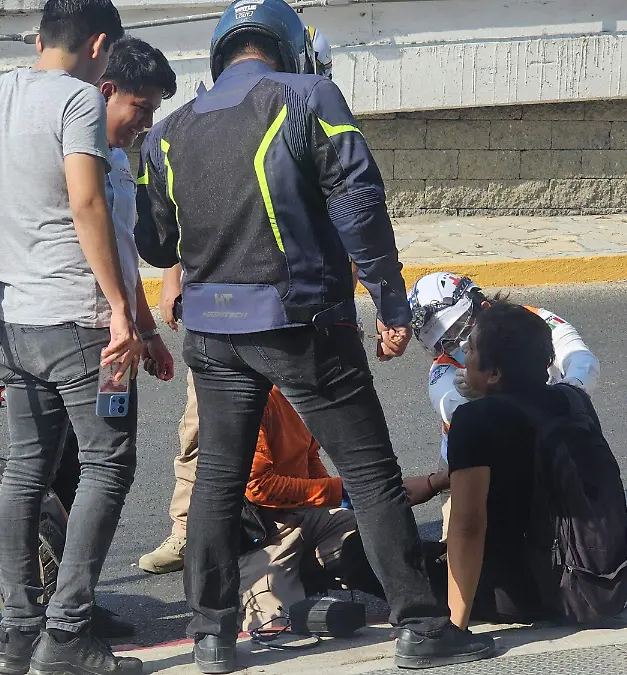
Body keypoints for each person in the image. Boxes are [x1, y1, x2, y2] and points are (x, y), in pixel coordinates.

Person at [133, 1, 494, 672]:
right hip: (302, 322)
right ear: (290, 47)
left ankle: (212, 638)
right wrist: (390, 302)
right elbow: (360, 205)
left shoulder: (171, 130)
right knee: (371, 472)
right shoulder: (311, 96)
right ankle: (420, 625)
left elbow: (155, 244)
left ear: (223, 52)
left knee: (217, 477)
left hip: (214, 334)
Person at [0, 2, 142, 674]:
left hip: (12, 318)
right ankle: (67, 635)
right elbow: (87, 202)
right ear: (98, 42)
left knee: (27, 467)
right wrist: (123, 309)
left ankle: (18, 634)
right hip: (77, 315)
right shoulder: (75, 101)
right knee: (107, 464)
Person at [138, 23, 336, 576]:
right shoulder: (222, 116)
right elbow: (199, 206)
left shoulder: (316, 111)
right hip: (228, 305)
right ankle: (189, 530)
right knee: (206, 430)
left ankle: (295, 514)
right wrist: (173, 275)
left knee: (303, 425)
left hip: (296, 310)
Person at [46, 34, 178, 639]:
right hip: (82, 331)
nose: (145, 122)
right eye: (140, 108)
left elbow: (124, 252)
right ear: (107, 91)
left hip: (116, 334)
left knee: (78, 472)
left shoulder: (121, 156)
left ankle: (71, 602)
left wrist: (145, 326)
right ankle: (59, 615)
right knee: (83, 468)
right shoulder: (72, 147)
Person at [404, 272, 599, 537]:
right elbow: (451, 405)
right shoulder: (444, 368)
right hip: (465, 465)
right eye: (446, 341)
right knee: (461, 543)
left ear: (480, 304)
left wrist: (562, 394)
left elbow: (583, 363)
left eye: (462, 327)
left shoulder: (534, 321)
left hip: (551, 449)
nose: (460, 343)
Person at [425, 301, 576, 627]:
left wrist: (456, 628)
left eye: (473, 347)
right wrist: (435, 482)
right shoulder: (571, 400)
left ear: (494, 374)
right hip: (582, 581)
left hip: (513, 594)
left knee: (363, 555)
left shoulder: (473, 420)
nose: (464, 349)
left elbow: (467, 526)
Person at [238, 387, 385, 633]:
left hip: (306, 513)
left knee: (378, 534)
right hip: (262, 532)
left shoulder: (299, 392)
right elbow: (258, 486)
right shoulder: (252, 400)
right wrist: (337, 490)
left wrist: (336, 498)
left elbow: (309, 457)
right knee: (274, 629)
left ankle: (422, 598)